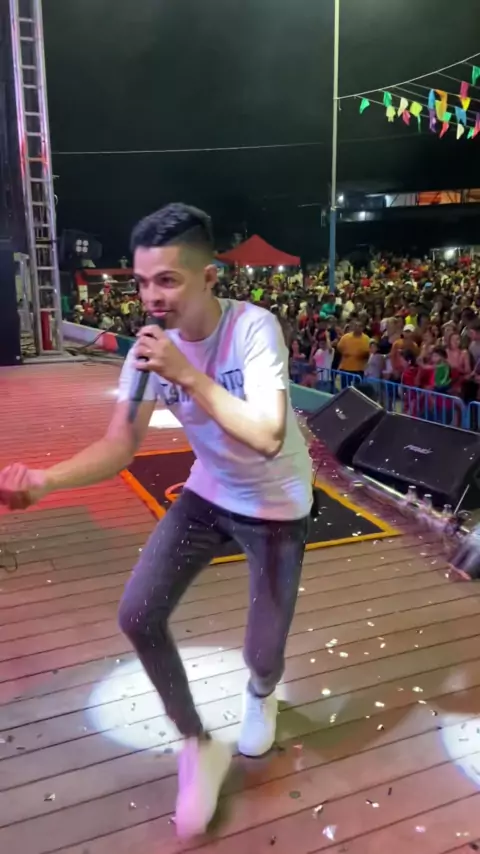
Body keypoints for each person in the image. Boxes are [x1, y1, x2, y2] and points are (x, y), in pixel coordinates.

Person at [0, 203, 312, 840]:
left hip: (277, 505)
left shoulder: (253, 328)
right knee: (137, 614)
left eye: (167, 280)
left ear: (208, 277)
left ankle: (260, 694)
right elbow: (121, 445)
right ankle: (196, 744)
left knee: (263, 654)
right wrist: (48, 480)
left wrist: (187, 375)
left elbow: (268, 435)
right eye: (142, 282)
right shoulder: (147, 353)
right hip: (209, 491)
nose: (151, 297)